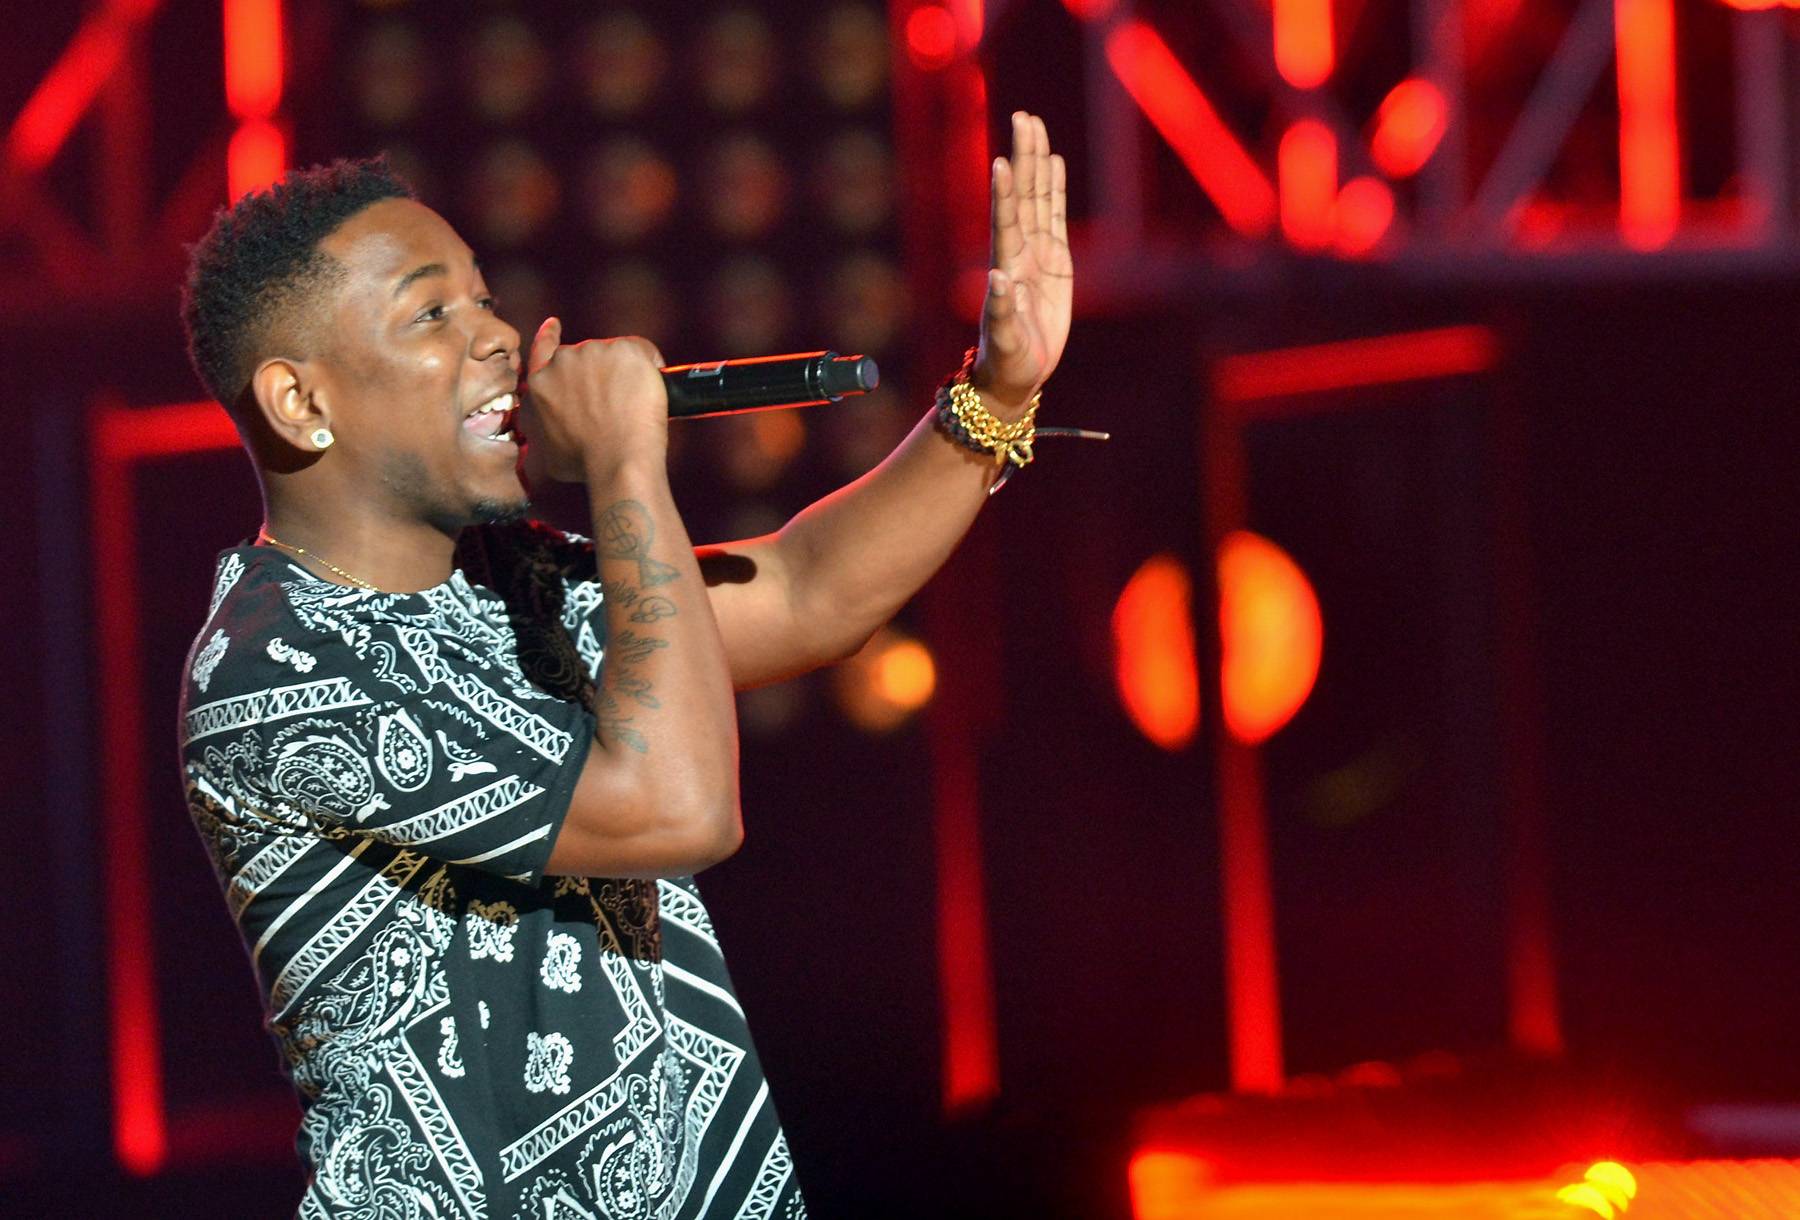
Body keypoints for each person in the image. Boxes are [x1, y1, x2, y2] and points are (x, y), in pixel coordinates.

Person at [176, 110, 1071, 1218]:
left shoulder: (512, 575)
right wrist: (626, 460)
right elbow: (677, 806)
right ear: (301, 401)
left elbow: (808, 591)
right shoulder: (271, 668)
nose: (499, 337)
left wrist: (998, 393)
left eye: (485, 298)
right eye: (433, 313)